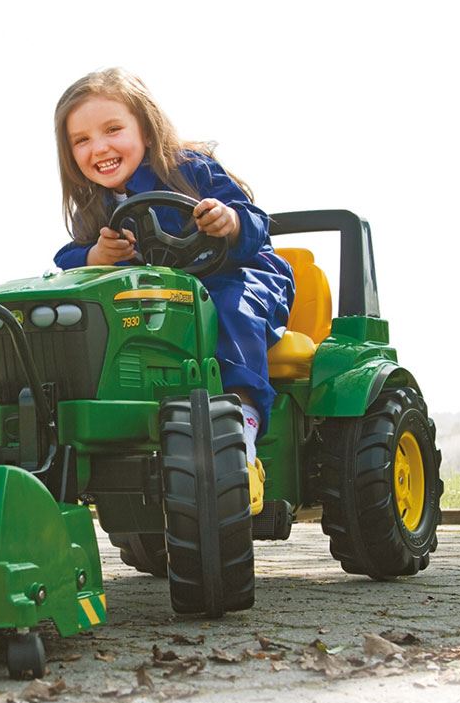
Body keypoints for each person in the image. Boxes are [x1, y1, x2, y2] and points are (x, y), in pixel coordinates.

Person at [53, 68, 294, 480]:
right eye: (82, 140)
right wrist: (95, 254)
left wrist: (230, 221)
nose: (100, 147)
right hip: (166, 301)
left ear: (146, 131)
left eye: (113, 130)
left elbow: (256, 223)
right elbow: (67, 258)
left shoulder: (189, 169)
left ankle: (242, 418)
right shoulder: (95, 205)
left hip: (239, 275)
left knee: (227, 311)